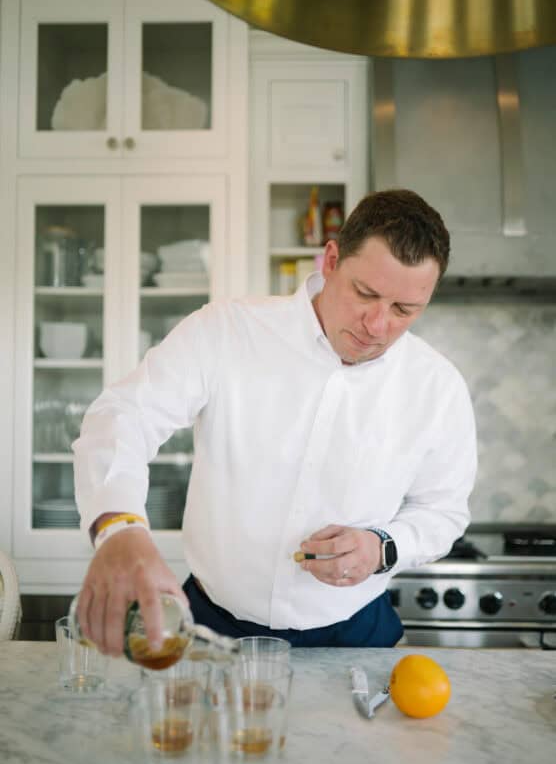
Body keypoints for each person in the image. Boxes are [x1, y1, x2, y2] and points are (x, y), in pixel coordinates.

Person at [72, 189, 477, 655]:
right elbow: (124, 415)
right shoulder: (226, 330)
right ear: (330, 260)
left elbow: (443, 510)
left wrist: (383, 546)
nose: (377, 325)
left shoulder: (437, 386)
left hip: (355, 635)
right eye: (365, 293)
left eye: (404, 310)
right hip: (211, 624)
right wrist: (119, 529)